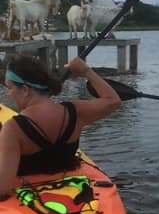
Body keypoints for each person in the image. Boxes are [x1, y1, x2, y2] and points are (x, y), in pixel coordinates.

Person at [0, 54, 121, 195]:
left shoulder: (13, 129)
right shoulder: (75, 111)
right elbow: (113, 100)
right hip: (71, 189)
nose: (9, 94)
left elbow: (3, 187)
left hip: (28, 194)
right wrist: (87, 71)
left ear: (25, 90)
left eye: (10, 88)